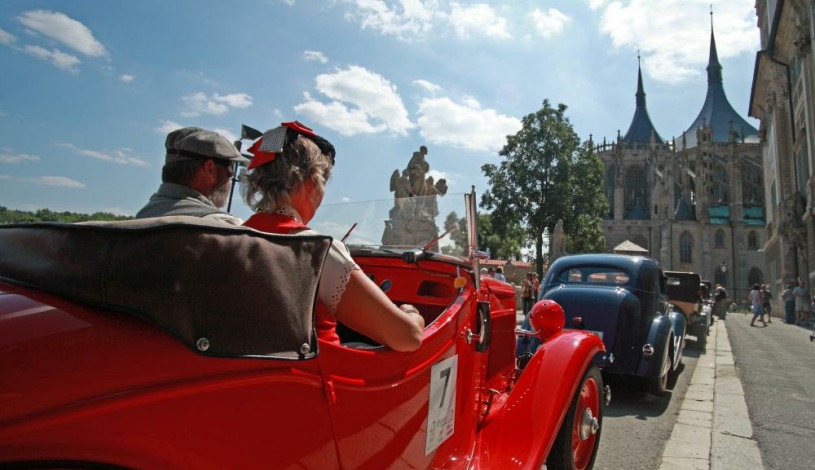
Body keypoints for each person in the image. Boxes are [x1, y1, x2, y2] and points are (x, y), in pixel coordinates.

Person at [240, 121, 424, 352]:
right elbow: (408, 336)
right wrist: (411, 313)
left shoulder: (233, 235)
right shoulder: (318, 252)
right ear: (310, 183)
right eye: (324, 182)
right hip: (319, 380)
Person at [136, 127, 248, 225]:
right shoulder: (225, 227)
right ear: (210, 168)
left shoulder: (138, 220)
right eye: (230, 168)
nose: (231, 176)